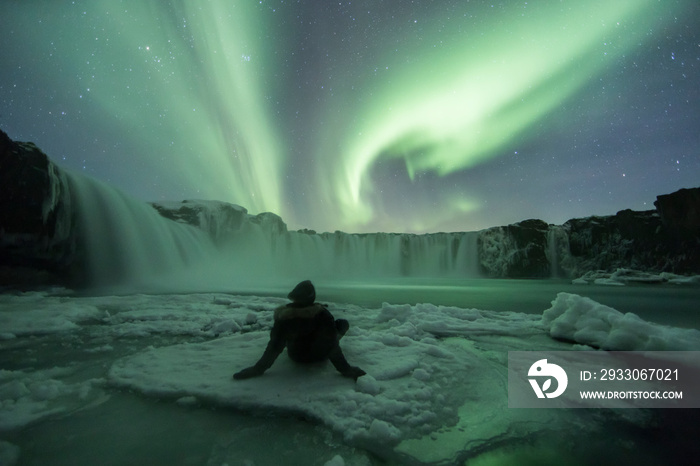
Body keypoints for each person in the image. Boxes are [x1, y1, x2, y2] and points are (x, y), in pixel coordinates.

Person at [233, 280, 366, 381]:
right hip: (319, 356)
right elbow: (331, 345)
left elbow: (275, 346)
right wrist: (346, 370)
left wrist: (258, 369)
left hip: (296, 356)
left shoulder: (284, 317)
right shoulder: (323, 315)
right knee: (342, 324)